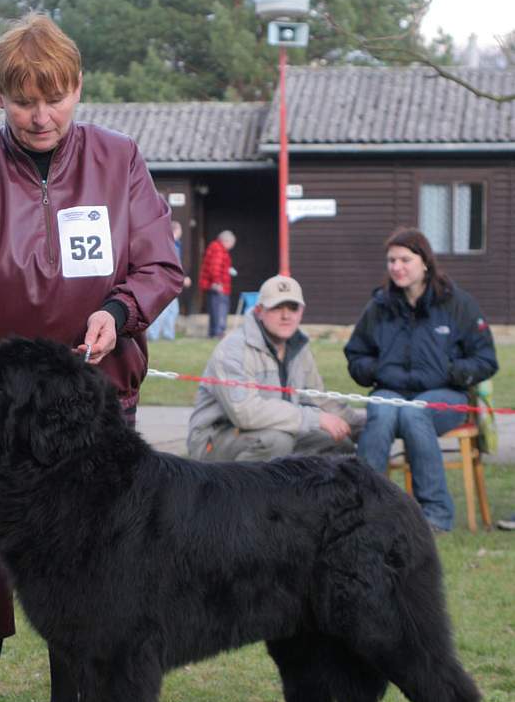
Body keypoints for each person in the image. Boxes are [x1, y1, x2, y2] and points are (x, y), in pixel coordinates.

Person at [0, 13, 184, 702]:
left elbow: (158, 265)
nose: (42, 116)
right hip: (0, 403)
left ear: (78, 89)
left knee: (88, 551)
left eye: (56, 98)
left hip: (95, 398)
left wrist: (117, 312)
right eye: (25, 100)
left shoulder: (120, 160)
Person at [345, 226, 498, 532]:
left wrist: (452, 372)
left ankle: (435, 515)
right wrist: (376, 371)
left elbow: (485, 359)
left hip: (446, 394)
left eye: (405, 260)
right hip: (390, 391)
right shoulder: (379, 307)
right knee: (382, 411)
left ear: (425, 262)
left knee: (415, 414)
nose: (397, 267)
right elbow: (356, 354)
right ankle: (362, 512)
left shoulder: (458, 304)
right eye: (391, 261)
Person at [187, 274, 364, 462]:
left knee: (338, 444)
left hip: (275, 430)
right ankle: (246, 483)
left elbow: (319, 399)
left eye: (293, 307)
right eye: (277, 307)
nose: (286, 315)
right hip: (216, 439)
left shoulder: (299, 348)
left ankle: (299, 483)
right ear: (259, 311)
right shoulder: (233, 350)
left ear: (301, 312)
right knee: (276, 442)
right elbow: (244, 413)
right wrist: (315, 418)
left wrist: (361, 427)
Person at [146, 220, 191, 341]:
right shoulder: (168, 244)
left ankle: (168, 335)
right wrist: (182, 279)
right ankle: (153, 335)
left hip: (171, 281)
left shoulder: (176, 245)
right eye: (180, 229)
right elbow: (171, 264)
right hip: (165, 281)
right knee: (163, 309)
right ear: (176, 230)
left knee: (172, 310)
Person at [199, 229, 236, 338]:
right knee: (220, 308)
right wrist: (217, 282)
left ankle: (213, 332)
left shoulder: (215, 248)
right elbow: (215, 267)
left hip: (214, 285)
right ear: (226, 241)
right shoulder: (218, 250)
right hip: (220, 286)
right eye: (232, 243)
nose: (232, 246)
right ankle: (218, 332)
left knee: (214, 309)